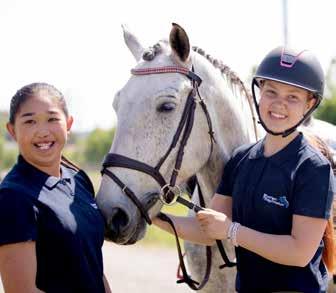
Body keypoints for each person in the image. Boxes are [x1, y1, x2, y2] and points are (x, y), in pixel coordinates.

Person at [153, 47, 335, 292]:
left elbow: (299, 252)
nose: (279, 103)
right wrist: (154, 217)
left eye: (293, 97)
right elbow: (209, 230)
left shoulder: (313, 168)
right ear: (259, 93)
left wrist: (231, 230)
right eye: (271, 92)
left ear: (309, 104)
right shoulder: (241, 160)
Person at [0, 83, 111, 293]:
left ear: (68, 124)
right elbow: (21, 291)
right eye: (30, 121)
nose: (42, 131)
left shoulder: (78, 179)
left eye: (52, 119)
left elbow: (93, 264)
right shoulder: (13, 197)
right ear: (12, 130)